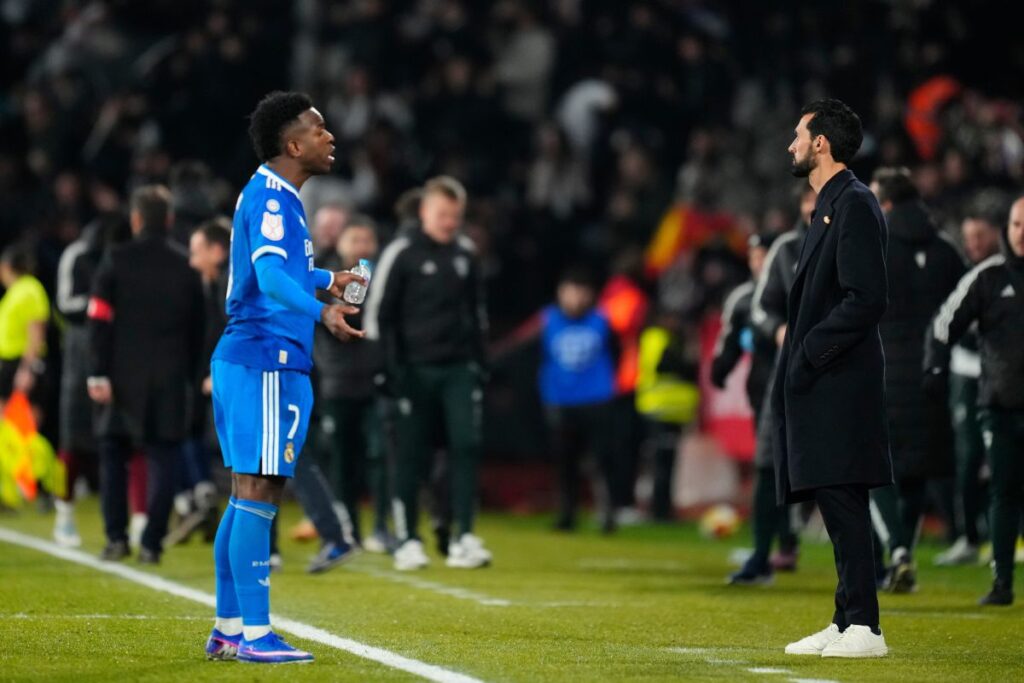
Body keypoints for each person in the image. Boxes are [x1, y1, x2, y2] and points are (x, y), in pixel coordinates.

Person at [204, 91, 365, 664]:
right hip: (265, 358)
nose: (330, 138)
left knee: (247, 493)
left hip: (248, 357)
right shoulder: (276, 201)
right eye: (319, 130)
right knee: (260, 492)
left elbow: (277, 269)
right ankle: (255, 634)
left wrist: (326, 279)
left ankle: (228, 627)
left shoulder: (272, 195)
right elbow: (270, 279)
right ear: (292, 144)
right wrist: (322, 310)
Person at [775, 99, 891, 658]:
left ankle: (865, 626)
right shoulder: (833, 204)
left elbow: (867, 298)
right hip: (828, 378)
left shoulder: (856, 204)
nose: (791, 144)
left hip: (840, 379)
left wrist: (809, 352)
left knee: (843, 496)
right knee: (833, 494)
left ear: (821, 142)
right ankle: (845, 618)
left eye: (798, 134)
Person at [364, 176, 491, 571]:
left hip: (457, 369)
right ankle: (408, 539)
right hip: (413, 371)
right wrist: (387, 369)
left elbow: (477, 314)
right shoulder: (401, 252)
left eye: (455, 216)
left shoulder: (465, 254)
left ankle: (464, 536)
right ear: (424, 212)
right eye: (442, 215)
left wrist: (479, 364)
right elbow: (378, 315)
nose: (449, 222)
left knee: (466, 446)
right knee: (410, 456)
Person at [87, 185, 206, 566]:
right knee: (163, 458)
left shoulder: (116, 258)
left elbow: (99, 320)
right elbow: (198, 330)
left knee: (112, 455)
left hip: (120, 377)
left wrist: (98, 372)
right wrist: (192, 377)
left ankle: (116, 539)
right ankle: (153, 543)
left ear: (136, 219)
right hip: (170, 377)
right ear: (169, 220)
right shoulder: (186, 265)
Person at [865, 167, 965, 594]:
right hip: (933, 379)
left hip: (884, 373)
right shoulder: (945, 250)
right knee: (916, 474)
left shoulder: (877, 246)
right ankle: (901, 555)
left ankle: (899, 552)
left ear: (885, 204)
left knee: (872, 470)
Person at [924, 196, 1024, 606]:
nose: (1022, 233)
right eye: (1018, 224)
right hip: (1000, 406)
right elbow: (944, 325)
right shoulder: (988, 276)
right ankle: (1002, 582)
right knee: (1003, 491)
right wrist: (935, 370)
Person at [746, 185, 818, 579]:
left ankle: (870, 565)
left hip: (834, 371)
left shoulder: (848, 242)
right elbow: (761, 308)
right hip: (788, 372)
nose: (813, 205)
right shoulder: (787, 248)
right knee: (767, 463)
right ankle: (760, 557)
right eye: (808, 199)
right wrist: (778, 330)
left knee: (843, 472)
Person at [312, 213, 392, 551]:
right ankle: (348, 527)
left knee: (379, 454)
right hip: (338, 382)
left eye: (367, 240)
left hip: (376, 381)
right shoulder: (325, 279)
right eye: (355, 239)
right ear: (341, 243)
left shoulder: (385, 276)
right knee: (342, 460)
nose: (362, 247)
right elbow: (336, 319)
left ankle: (380, 527)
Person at [709, 231, 781, 585]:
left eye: (764, 255)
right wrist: (720, 369)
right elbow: (731, 339)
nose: (758, 262)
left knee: (793, 473)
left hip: (800, 391)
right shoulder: (744, 298)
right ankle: (774, 547)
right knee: (769, 468)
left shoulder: (791, 291)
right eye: (754, 256)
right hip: (763, 390)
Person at [933, 211, 1004, 566]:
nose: (973, 242)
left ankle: (1002, 535)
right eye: (969, 235)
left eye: (980, 234)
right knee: (967, 456)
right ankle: (969, 536)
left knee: (1004, 458)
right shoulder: (962, 272)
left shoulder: (1006, 272)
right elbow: (945, 322)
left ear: (996, 233)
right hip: (967, 372)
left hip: (1003, 375)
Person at [53, 214, 121, 546]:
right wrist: (100, 305)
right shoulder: (76, 255)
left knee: (121, 438)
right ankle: (63, 514)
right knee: (72, 439)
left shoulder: (120, 256)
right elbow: (65, 303)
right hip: (78, 356)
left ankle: (136, 518)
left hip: (115, 354)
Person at [166, 217, 232, 546]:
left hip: (235, 376)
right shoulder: (209, 284)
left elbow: (235, 331)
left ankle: (263, 545)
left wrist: (217, 374)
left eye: (197, 253)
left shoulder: (232, 286)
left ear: (217, 251)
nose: (192, 262)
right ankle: (199, 496)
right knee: (187, 428)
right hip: (208, 374)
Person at [539, 267, 617, 532]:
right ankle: (567, 514)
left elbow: (619, 352)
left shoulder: (604, 320)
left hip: (597, 398)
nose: (574, 298)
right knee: (564, 462)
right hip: (560, 400)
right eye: (569, 292)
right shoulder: (547, 320)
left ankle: (607, 513)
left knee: (600, 459)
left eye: (580, 292)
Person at [0, 242, 49, 404]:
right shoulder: (15, 290)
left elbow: (36, 333)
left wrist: (27, 369)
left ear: (6, 266)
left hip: (20, 364)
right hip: (8, 364)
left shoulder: (29, 289)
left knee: (23, 425)